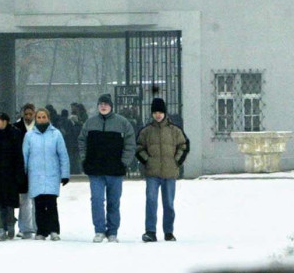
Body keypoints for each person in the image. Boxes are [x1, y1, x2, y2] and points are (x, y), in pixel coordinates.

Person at [79, 92, 136, 243]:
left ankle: (112, 232)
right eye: (101, 104)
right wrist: (84, 159)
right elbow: (81, 142)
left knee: (114, 201)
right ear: (98, 106)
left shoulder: (123, 123)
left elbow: (130, 143)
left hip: (115, 170)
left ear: (111, 106)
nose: (103, 106)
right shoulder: (89, 123)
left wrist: (124, 162)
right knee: (96, 200)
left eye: (106, 104)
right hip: (95, 170)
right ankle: (99, 230)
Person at [135, 97, 190, 242]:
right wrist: (147, 160)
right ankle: (150, 231)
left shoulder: (175, 131)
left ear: (164, 113)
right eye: (155, 112)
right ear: (152, 114)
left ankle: (168, 232)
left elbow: (184, 146)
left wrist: (176, 161)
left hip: (169, 173)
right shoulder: (146, 131)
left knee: (169, 204)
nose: (158, 115)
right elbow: (139, 147)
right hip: (152, 173)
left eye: (160, 112)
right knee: (151, 201)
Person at [23, 105, 70, 241]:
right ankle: (41, 231)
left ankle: (54, 230)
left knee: (51, 204)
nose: (41, 119)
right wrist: (23, 174)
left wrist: (65, 174)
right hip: (35, 175)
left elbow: (63, 155)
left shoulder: (56, 134)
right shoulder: (29, 136)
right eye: (39, 117)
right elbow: (25, 156)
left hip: (51, 174)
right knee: (38, 205)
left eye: (44, 117)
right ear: (35, 119)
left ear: (48, 118)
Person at [0, 112, 27, 240]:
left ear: (4, 121)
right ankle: (0, 228)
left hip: (10, 176)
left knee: (9, 204)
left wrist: (20, 176)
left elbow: (18, 157)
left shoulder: (14, 135)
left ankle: (10, 224)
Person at [12, 103, 37, 238]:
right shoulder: (16, 127)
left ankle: (36, 225)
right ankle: (24, 226)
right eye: (26, 114)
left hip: (36, 166)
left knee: (37, 198)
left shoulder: (39, 127)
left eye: (30, 114)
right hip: (21, 166)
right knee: (24, 198)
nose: (28, 117)